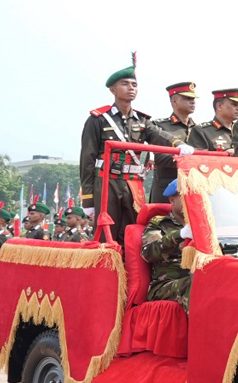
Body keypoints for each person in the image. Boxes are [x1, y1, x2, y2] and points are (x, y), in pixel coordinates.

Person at [79, 54, 193, 245]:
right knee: (108, 233)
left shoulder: (141, 120)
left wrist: (178, 144)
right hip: (108, 181)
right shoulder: (98, 119)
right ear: (113, 89)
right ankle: (108, 273)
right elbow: (87, 160)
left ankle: (131, 272)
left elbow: (158, 135)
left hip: (133, 183)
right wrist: (88, 200)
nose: (131, 88)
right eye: (125, 84)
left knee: (135, 229)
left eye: (134, 85)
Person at [142, 179, 193, 314]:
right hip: (165, 285)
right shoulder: (159, 224)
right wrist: (180, 235)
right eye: (186, 196)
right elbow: (149, 252)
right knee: (195, 285)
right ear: (172, 200)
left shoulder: (204, 224)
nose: (191, 200)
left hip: (196, 275)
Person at [150, 82, 198, 202]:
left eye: (193, 99)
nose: (192, 102)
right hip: (167, 191)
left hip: (193, 189)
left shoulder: (199, 129)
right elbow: (159, 158)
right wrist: (188, 159)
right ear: (174, 101)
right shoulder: (159, 126)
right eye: (187, 98)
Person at [187, 88, 238, 153]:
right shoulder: (202, 131)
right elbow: (197, 158)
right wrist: (223, 154)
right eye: (234, 104)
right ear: (219, 106)